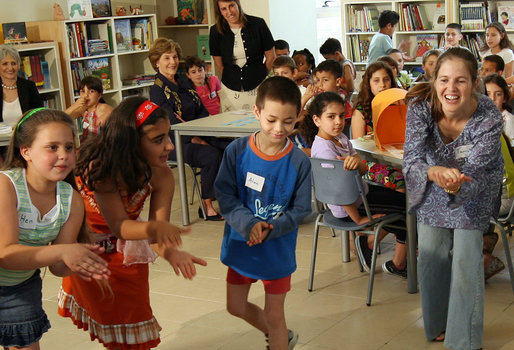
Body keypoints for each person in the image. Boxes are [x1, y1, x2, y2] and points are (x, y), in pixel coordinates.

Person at [58, 97, 207, 350]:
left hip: (127, 258)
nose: (169, 145)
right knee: (114, 335)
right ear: (130, 142)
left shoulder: (161, 176)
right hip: (90, 257)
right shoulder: (101, 169)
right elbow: (119, 226)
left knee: (135, 333)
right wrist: (154, 229)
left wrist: (170, 252)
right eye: (158, 140)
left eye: (167, 136)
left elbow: (155, 236)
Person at [404, 47, 504, 349]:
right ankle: (436, 326)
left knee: (465, 260)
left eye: (460, 81)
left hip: (475, 187)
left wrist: (456, 183)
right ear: (434, 81)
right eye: (444, 80)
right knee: (431, 255)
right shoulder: (420, 108)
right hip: (433, 181)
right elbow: (411, 161)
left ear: (474, 83)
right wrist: (434, 172)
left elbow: (476, 169)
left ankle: (464, 341)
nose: (451, 89)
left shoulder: (489, 115)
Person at [214, 76, 311, 350]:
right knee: (235, 305)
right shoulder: (237, 151)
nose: (279, 129)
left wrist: (271, 229)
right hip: (241, 244)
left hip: (276, 249)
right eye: (271, 120)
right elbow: (225, 195)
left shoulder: (299, 162)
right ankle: (283, 336)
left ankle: (279, 338)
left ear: (298, 117)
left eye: (288, 121)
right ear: (256, 112)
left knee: (275, 315)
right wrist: (249, 225)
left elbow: (301, 208)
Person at [0, 108, 109, 349]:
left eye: (69, 147)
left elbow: (57, 268)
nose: (64, 155)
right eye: (52, 147)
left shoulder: (71, 200)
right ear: (26, 151)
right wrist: (63, 252)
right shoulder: (6, 186)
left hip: (21, 286)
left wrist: (77, 260)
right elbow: (6, 255)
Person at [304, 91, 408, 277]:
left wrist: (358, 163)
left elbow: (361, 166)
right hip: (350, 206)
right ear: (317, 120)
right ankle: (397, 263)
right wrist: (358, 220)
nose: (338, 121)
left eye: (342, 116)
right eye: (331, 117)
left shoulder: (340, 139)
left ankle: (373, 245)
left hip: (359, 195)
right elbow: (338, 190)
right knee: (407, 209)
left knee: (403, 201)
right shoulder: (324, 150)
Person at [149, 37, 228, 220]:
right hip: (173, 142)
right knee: (211, 155)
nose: (173, 62)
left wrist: (200, 133)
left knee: (230, 147)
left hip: (198, 133)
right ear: (156, 62)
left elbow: (201, 109)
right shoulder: (157, 90)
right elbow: (170, 122)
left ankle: (229, 197)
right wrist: (193, 137)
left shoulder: (183, 81)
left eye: (175, 57)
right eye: (167, 58)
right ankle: (206, 206)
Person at [209, 0, 275, 111]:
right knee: (230, 125)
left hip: (258, 86)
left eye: (231, 6)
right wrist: (231, 77)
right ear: (219, 11)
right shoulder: (215, 31)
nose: (229, 12)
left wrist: (261, 74)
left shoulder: (258, 24)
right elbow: (219, 65)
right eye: (224, 9)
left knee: (260, 123)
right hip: (230, 89)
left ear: (238, 4)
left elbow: (271, 57)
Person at [0, 45, 43, 127]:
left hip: (25, 137)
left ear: (19, 65)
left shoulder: (29, 86)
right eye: (5, 64)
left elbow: (39, 115)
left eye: (13, 63)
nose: (10, 68)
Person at [64, 76, 113, 143]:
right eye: (83, 91)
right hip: (86, 145)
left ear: (99, 95)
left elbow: (115, 113)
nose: (86, 95)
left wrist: (106, 115)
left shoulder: (101, 107)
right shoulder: (83, 110)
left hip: (99, 146)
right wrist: (74, 106)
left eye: (91, 91)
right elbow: (62, 117)